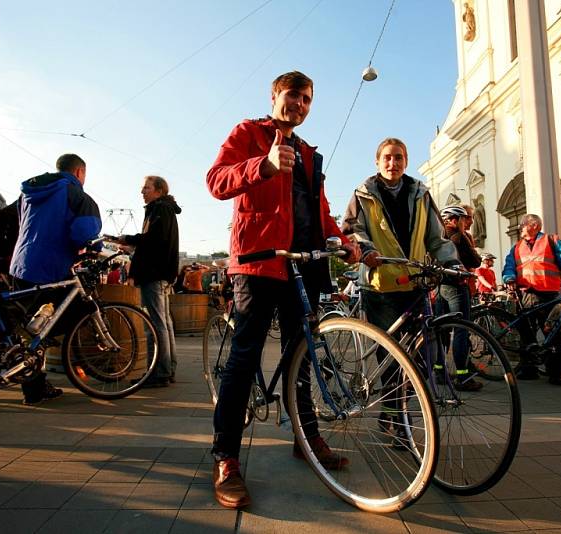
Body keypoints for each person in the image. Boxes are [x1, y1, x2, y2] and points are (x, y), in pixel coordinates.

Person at [206, 71, 360, 509]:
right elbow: (216, 181)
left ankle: (306, 437)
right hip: (258, 262)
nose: (300, 104)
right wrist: (264, 164)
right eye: (294, 95)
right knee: (245, 355)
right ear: (275, 96)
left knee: (302, 356)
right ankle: (227, 458)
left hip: (303, 267)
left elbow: (321, 211)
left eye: (308, 99)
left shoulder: (311, 154)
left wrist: (344, 243)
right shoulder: (249, 133)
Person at [342, 138, 465, 390]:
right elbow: (352, 230)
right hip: (381, 286)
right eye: (387, 157)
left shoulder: (421, 193)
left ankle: (406, 413)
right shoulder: (363, 194)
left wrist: (452, 263)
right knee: (389, 358)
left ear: (406, 161)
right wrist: (366, 250)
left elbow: (436, 238)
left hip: (414, 284)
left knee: (419, 356)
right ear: (377, 162)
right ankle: (391, 415)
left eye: (398, 157)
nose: (392, 162)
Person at [10, 153, 102, 404]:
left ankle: (34, 387)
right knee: (73, 314)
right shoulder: (76, 195)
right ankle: (33, 382)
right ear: (79, 172)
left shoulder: (29, 192)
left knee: (33, 330)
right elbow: (84, 234)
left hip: (21, 265)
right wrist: (95, 246)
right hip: (51, 268)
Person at [502, 213, 561, 383]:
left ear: (534, 226)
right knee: (527, 333)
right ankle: (528, 369)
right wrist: (509, 278)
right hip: (527, 294)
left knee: (554, 331)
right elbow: (509, 266)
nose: (520, 227)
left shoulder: (551, 241)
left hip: (549, 294)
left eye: (523, 224)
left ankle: (555, 372)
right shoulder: (516, 247)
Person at [116, 175, 181, 387]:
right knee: (164, 322)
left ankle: (158, 372)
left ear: (159, 190)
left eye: (146, 187)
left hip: (154, 273)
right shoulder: (165, 208)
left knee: (155, 324)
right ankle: (167, 368)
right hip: (162, 272)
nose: (142, 191)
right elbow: (157, 242)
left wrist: (129, 239)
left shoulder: (159, 209)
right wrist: (133, 245)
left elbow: (154, 239)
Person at [436, 204, 481, 390]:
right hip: (456, 286)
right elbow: (475, 261)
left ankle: (439, 372)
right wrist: (471, 248)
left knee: (441, 331)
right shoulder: (458, 236)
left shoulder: (438, 237)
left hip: (440, 288)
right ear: (455, 220)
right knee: (461, 330)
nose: (465, 223)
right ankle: (463, 377)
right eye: (463, 219)